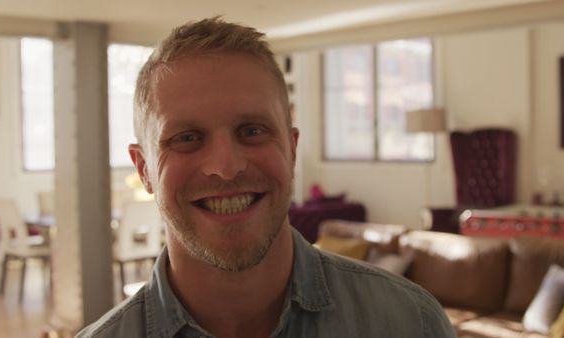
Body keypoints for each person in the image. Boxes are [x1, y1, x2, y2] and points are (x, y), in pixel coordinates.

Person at [77, 17, 455, 338]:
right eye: (187, 138)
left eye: (252, 131)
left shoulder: (410, 323)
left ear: (291, 150)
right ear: (144, 169)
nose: (226, 167)